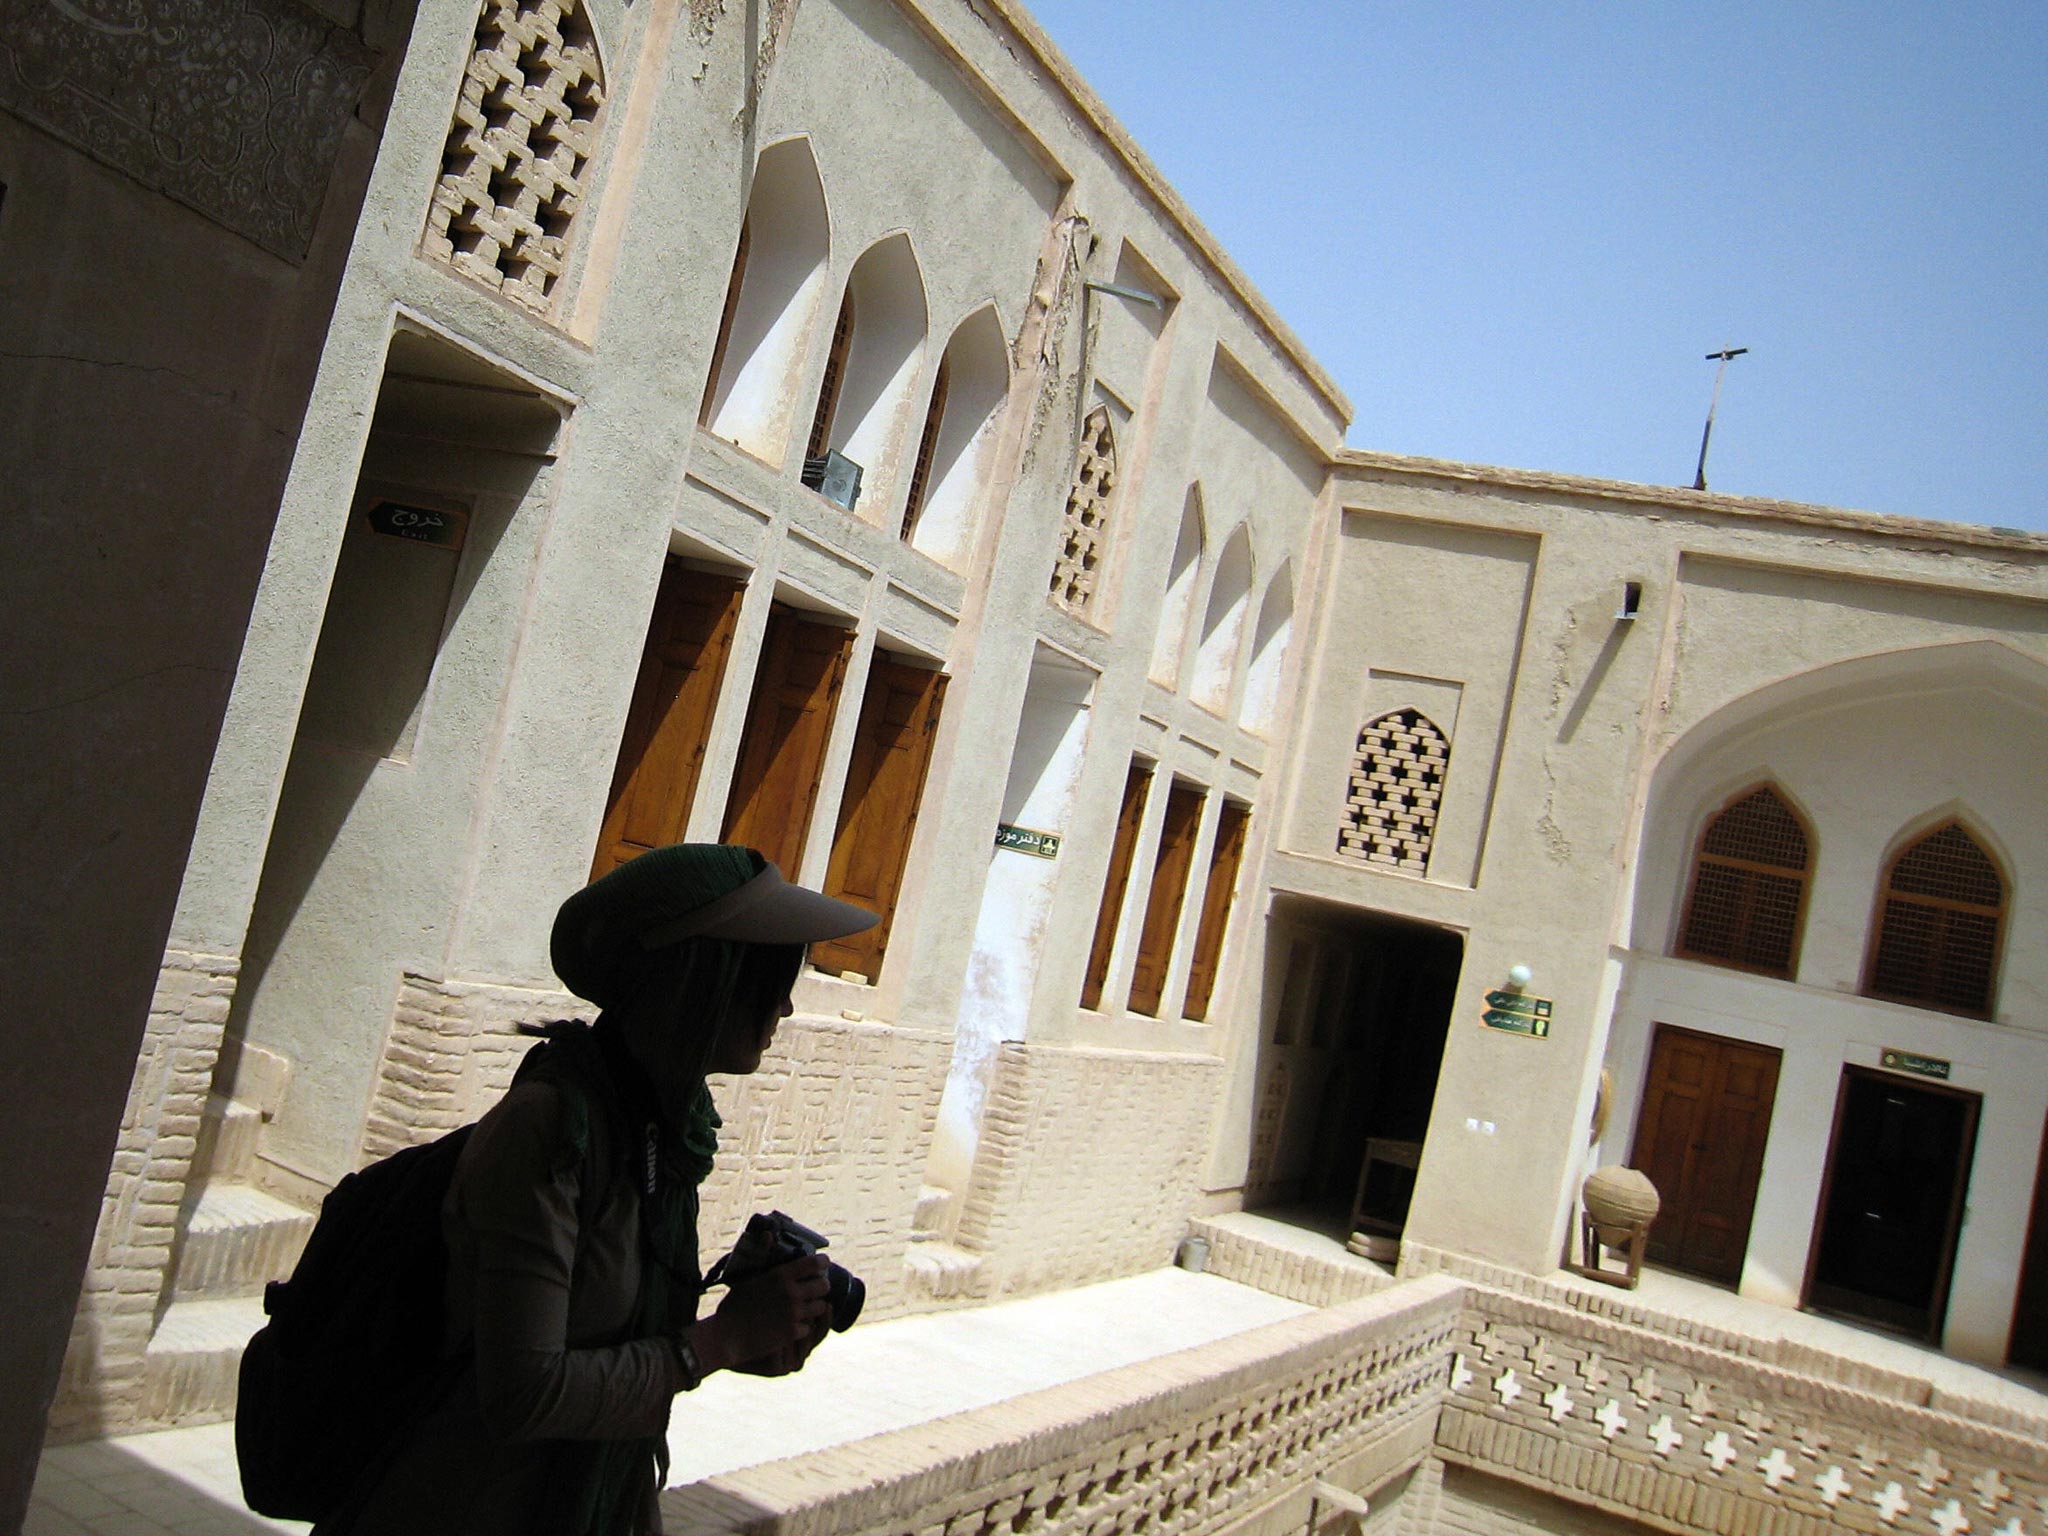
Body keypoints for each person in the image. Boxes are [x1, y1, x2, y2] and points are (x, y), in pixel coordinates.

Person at [318, 843, 877, 1536]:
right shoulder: (551, 1134)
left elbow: (617, 1352)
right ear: (701, 979)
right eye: (769, 978)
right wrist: (719, 1341)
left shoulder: (661, 1137)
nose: (787, 1006)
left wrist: (744, 1341)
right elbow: (523, 1393)